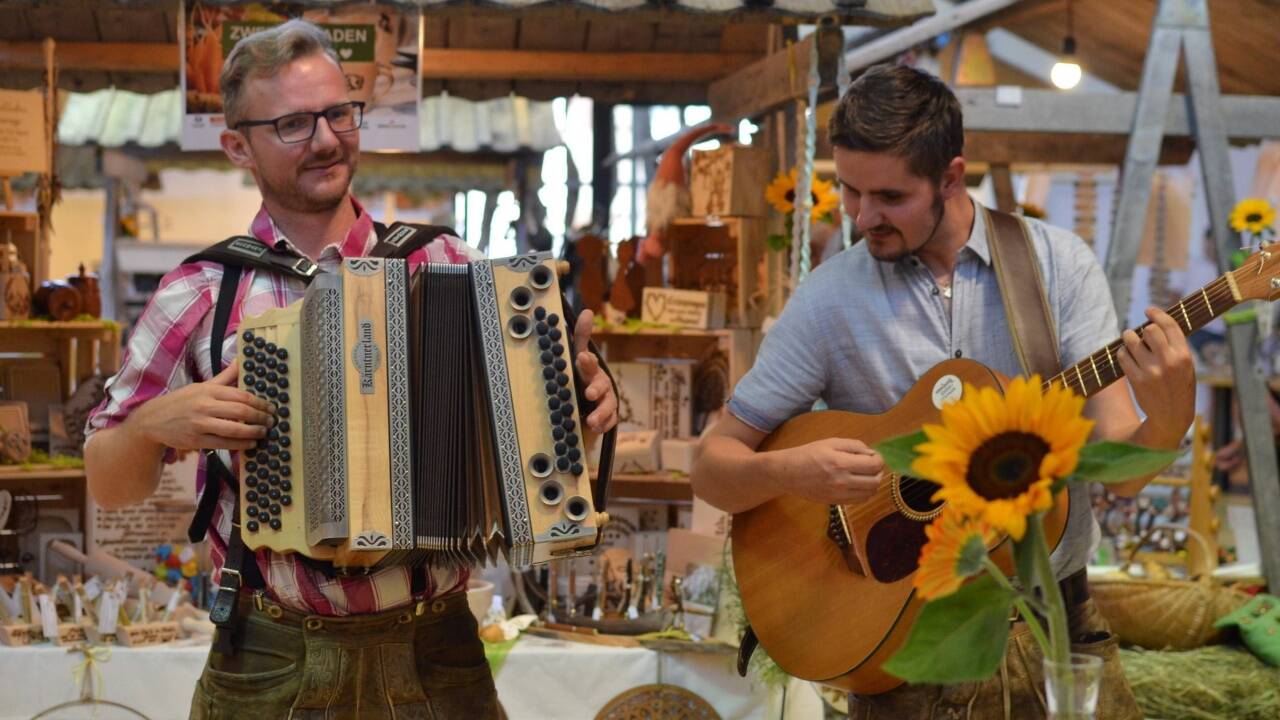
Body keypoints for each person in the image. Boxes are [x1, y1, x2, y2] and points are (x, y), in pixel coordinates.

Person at [84, 19, 618, 719]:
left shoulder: (447, 263)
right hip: (270, 656)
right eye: (293, 124)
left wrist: (576, 407)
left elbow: (529, 451)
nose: (327, 140)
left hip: (438, 654)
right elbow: (108, 483)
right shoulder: (200, 291)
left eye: (339, 113)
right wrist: (152, 426)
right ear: (238, 146)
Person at [690, 64, 1194, 720]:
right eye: (849, 191)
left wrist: (1171, 411)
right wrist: (789, 471)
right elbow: (711, 466)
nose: (863, 217)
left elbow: (1123, 474)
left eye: (890, 196)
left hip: (1053, 634)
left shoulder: (1057, 267)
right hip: (901, 654)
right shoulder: (829, 297)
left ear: (951, 177)